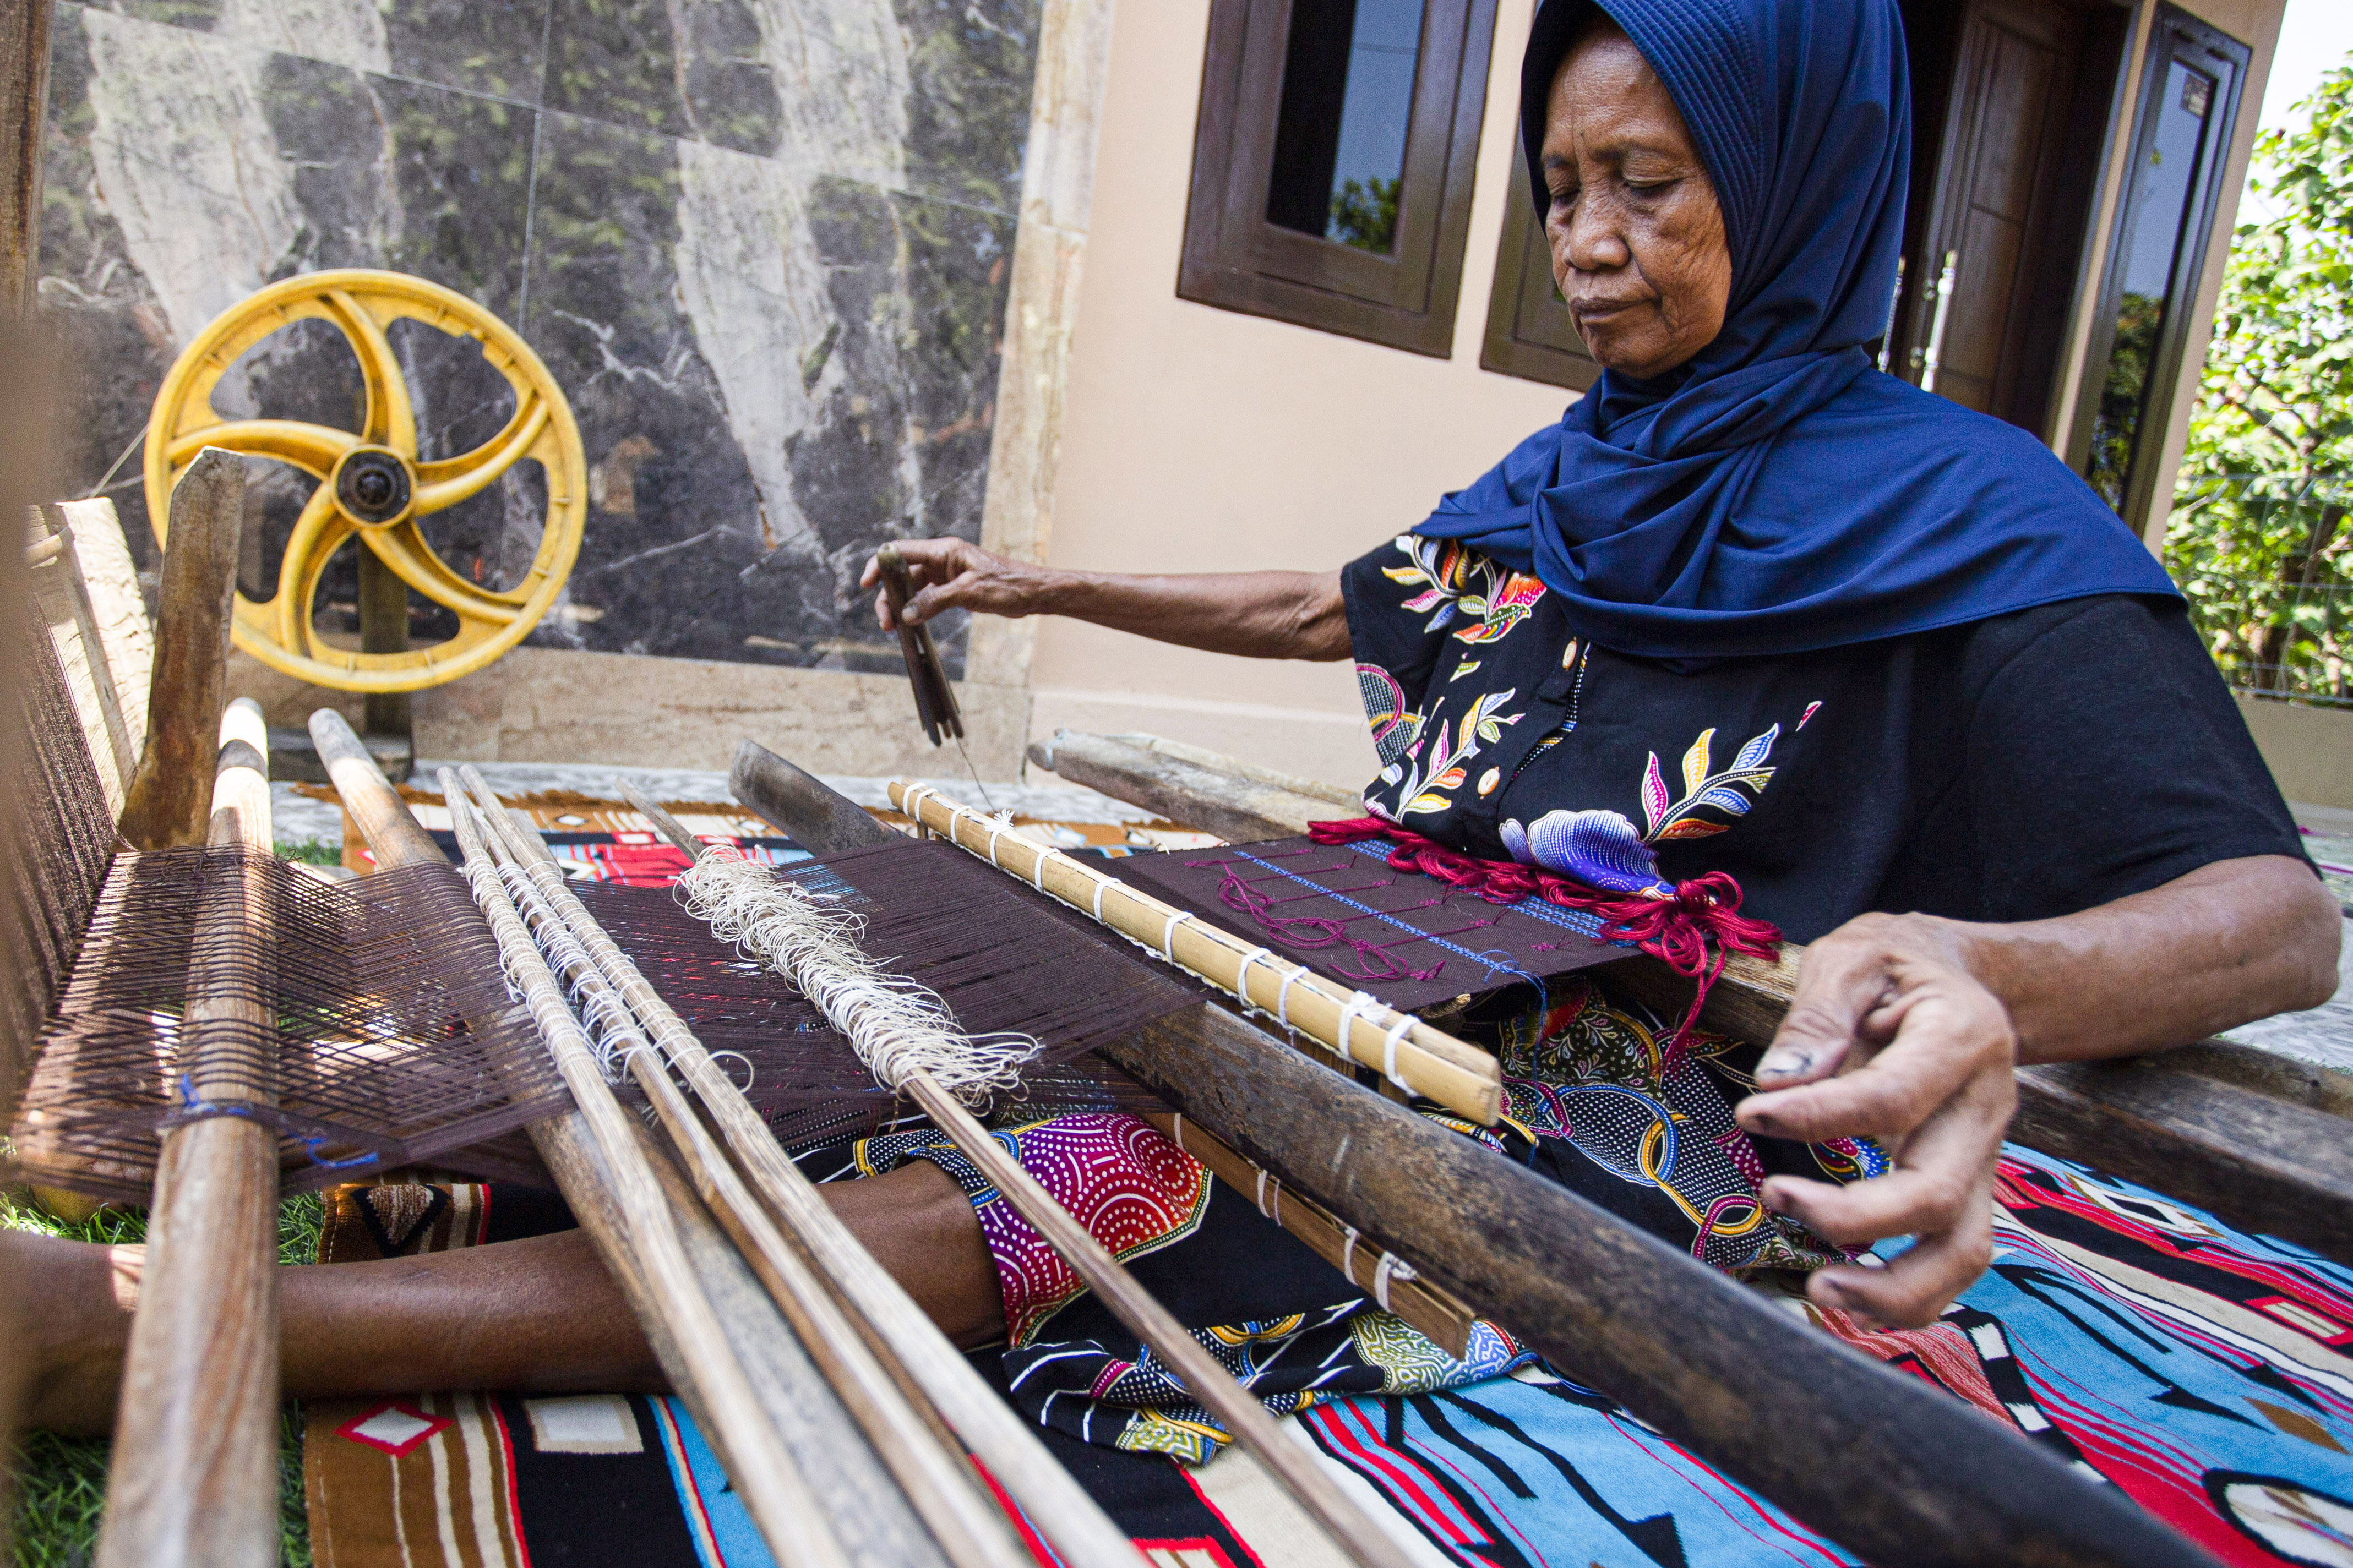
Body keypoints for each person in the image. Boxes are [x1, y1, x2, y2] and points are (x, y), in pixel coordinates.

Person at [7, 0, 2336, 1477]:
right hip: (1373, 915)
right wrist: (1038, 578)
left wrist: (1971, 961)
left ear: (1799, 173)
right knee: (837, 946)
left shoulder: (1968, 511)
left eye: (1652, 184)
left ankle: (203, 1334)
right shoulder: (1582, 468)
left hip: (1625, 1045)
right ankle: (394, 1131)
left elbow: (2270, 909)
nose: (1592, 247)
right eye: (1560, 191)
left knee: (1119, 1161)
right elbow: (1345, 593)